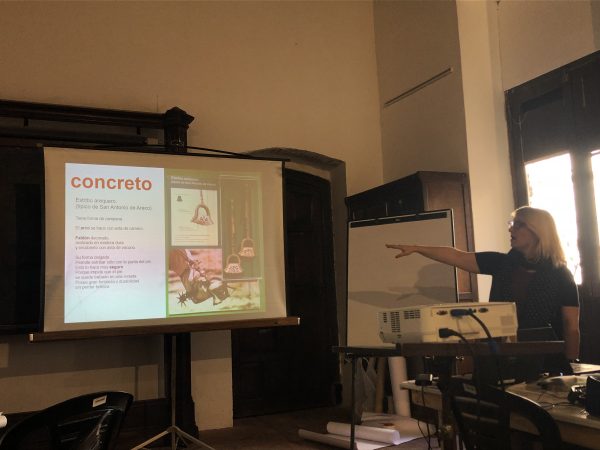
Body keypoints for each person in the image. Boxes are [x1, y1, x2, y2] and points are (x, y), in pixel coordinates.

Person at [386, 206, 580, 361]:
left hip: (543, 356)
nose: (510, 229)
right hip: (498, 353)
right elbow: (457, 256)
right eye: (511, 224)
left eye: (518, 225)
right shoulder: (502, 263)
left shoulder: (561, 274)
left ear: (538, 231)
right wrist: (417, 248)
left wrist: (572, 363)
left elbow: (570, 325)